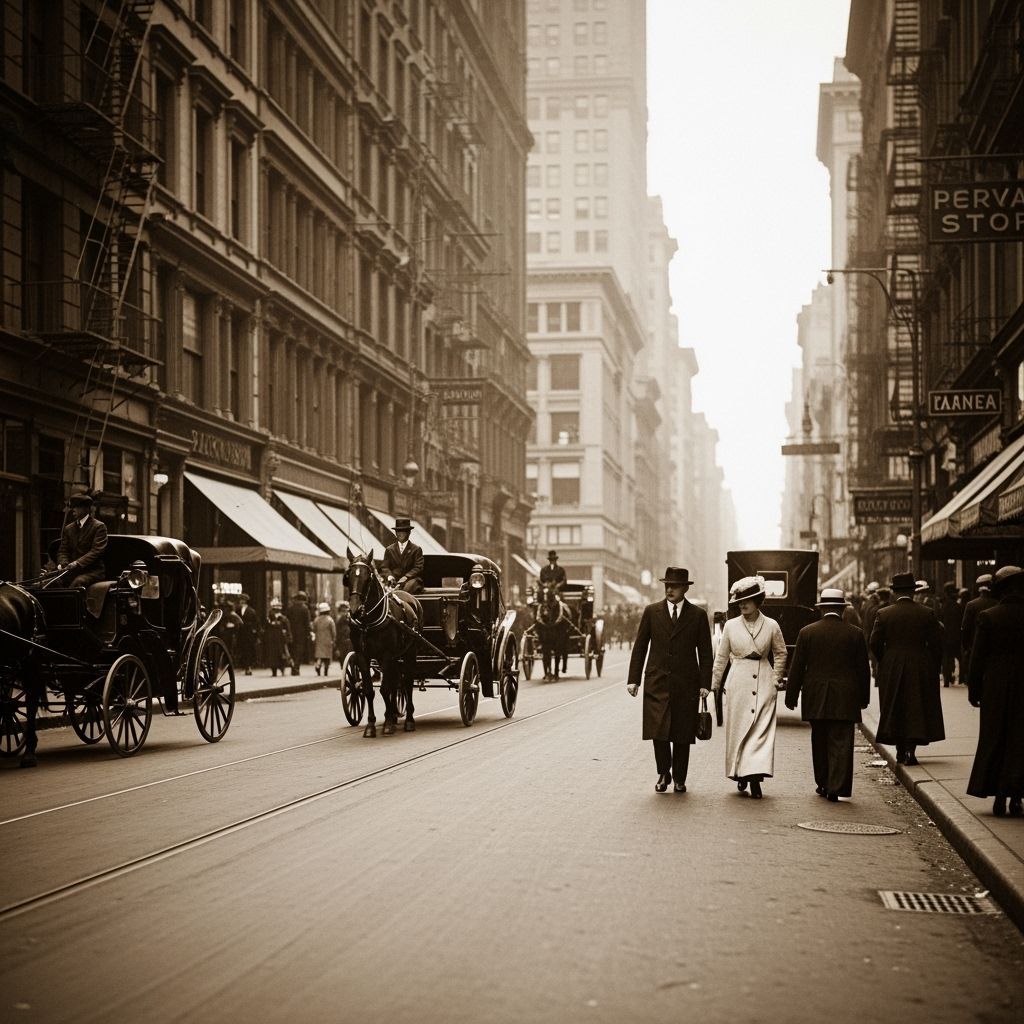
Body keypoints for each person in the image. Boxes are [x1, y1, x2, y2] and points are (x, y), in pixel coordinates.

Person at [626, 567, 712, 794]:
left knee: (683, 732)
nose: (669, 589)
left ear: (685, 589)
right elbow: (640, 646)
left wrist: (705, 683)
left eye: (674, 586)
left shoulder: (698, 615)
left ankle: (680, 778)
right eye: (667, 585)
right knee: (659, 731)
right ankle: (664, 773)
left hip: (686, 683)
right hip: (657, 681)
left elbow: (705, 652)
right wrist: (634, 679)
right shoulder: (651, 612)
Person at [785, 588, 871, 801]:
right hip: (845, 697)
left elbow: (797, 667)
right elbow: (863, 670)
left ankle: (822, 783)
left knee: (819, 740)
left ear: (822, 609)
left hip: (816, 696)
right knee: (841, 742)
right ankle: (836, 786)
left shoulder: (807, 632)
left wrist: (791, 696)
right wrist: (864, 698)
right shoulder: (855, 633)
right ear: (842, 609)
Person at [711, 576, 787, 799]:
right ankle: (740, 772)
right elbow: (721, 657)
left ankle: (755, 779)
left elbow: (781, 652)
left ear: (758, 601)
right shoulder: (730, 626)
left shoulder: (771, 625)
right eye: (740, 601)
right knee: (739, 729)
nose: (743, 604)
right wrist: (715, 684)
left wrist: (776, 678)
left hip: (764, 682)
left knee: (760, 731)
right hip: (738, 682)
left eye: (748, 600)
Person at [966, 565, 1024, 818]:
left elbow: (977, 658)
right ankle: (1017, 795)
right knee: (1020, 738)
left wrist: (974, 689)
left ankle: (999, 793)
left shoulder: (989, 616)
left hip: (996, 685)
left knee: (995, 736)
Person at [869, 571, 944, 766]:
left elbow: (874, 642)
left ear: (895, 592)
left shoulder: (884, 613)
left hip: (892, 664)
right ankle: (911, 749)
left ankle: (900, 749)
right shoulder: (926, 612)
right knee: (916, 706)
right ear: (913, 591)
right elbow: (936, 644)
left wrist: (885, 659)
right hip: (920, 662)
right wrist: (933, 665)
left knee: (895, 706)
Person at [56, 492, 108, 588]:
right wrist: (63, 563)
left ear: (86, 509)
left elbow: (96, 551)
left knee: (78, 582)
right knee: (52, 583)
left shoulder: (99, 527)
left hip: (93, 571)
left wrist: (77, 563)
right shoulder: (69, 528)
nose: (72, 510)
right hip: (72, 571)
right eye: (72, 507)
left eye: (76, 507)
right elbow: (63, 550)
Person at [961, 573, 997, 681]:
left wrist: (966, 647)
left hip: (975, 645)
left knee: (976, 676)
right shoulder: (996, 603)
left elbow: (965, 628)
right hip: (993, 648)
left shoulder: (971, 605)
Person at [382, 517, 424, 595]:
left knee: (405, 591)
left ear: (409, 533)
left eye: (403, 531)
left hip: (411, 580)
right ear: (395, 533)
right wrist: (390, 576)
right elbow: (385, 567)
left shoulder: (416, 549)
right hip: (394, 581)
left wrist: (406, 577)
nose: (400, 534)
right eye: (398, 531)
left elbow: (418, 567)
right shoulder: (389, 549)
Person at [939, 581, 964, 687]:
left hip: (945, 636)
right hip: (957, 636)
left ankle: (947, 679)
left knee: (946, 657)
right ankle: (962, 678)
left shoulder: (942, 607)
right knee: (959, 657)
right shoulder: (958, 607)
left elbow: (939, 621)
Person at [264, 598, 292, 677]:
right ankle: (277, 670)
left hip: (278, 641)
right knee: (277, 656)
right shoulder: (272, 619)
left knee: (279, 656)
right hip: (276, 641)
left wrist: (288, 637)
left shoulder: (281, 619)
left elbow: (287, 629)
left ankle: (278, 670)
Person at [286, 591, 312, 675]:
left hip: (291, 632)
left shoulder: (290, 608)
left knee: (292, 650)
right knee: (299, 651)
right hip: (301, 634)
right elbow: (307, 623)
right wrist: (308, 633)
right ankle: (296, 668)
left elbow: (287, 620)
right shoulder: (305, 609)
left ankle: (293, 666)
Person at [236, 593, 260, 675]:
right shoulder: (238, 610)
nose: (241, 601)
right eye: (240, 600)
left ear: (245, 601)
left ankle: (248, 667)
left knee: (248, 650)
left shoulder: (251, 611)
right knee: (242, 649)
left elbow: (256, 623)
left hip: (248, 634)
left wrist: (255, 633)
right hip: (241, 633)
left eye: (242, 600)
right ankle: (243, 665)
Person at [313, 601, 336, 676]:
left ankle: (318, 666)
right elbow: (333, 631)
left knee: (319, 656)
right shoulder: (330, 620)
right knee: (327, 657)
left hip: (319, 640)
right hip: (328, 640)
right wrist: (334, 639)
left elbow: (314, 629)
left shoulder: (316, 620)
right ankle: (326, 670)